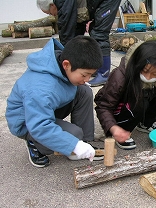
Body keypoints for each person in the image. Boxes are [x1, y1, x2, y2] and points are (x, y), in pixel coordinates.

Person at [5, 36, 103, 168]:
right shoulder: (40, 89)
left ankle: (85, 143)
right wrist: (73, 144)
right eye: (84, 74)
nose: (87, 79)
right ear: (66, 65)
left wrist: (81, 145)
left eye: (91, 75)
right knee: (74, 134)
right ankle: (35, 144)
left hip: (45, 108)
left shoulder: (62, 64)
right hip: (28, 123)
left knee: (84, 91)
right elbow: (39, 126)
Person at [94, 40, 156, 150]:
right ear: (138, 63)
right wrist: (113, 128)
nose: (148, 77)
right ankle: (123, 129)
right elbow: (104, 106)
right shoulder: (120, 76)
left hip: (138, 105)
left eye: (155, 74)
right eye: (145, 70)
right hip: (120, 111)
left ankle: (144, 124)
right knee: (139, 101)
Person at [37, 0, 122, 87]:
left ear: (52, 5)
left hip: (108, 1)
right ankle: (92, 68)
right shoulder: (63, 4)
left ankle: (104, 73)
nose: (52, 15)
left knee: (99, 34)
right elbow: (76, 28)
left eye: (50, 13)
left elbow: (66, 29)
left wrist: (65, 52)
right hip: (94, 3)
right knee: (87, 33)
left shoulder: (62, 3)